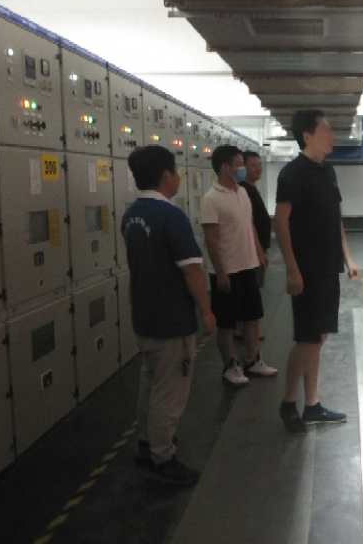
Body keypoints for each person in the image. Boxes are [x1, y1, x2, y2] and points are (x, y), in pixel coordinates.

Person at [122, 145, 216, 486]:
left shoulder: (131, 215)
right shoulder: (171, 216)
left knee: (150, 382)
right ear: (166, 176)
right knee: (170, 391)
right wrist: (206, 310)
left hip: (144, 315)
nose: (179, 178)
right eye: (176, 172)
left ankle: (146, 443)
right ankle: (163, 457)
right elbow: (192, 270)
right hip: (172, 320)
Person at [275, 110, 359, 432]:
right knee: (307, 339)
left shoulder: (328, 171)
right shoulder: (292, 174)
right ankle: (288, 402)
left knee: (317, 337)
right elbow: (281, 222)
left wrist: (348, 257)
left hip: (327, 268)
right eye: (326, 130)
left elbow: (335, 218)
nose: (331, 136)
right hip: (307, 269)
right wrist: (292, 269)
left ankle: (312, 404)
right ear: (307, 135)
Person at [201, 145, 277, 387]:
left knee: (253, 317)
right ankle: (230, 366)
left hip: (248, 265)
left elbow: (249, 224)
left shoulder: (242, 192)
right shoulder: (211, 199)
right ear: (225, 167)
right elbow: (211, 239)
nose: (242, 168)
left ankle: (252, 360)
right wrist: (220, 272)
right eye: (238, 163)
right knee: (226, 323)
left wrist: (258, 252)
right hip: (227, 270)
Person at [239, 150, 271, 287]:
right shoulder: (244, 190)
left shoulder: (251, 188)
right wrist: (259, 252)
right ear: (243, 168)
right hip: (252, 252)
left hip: (259, 249)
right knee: (253, 288)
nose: (258, 169)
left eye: (259, 165)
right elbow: (249, 223)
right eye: (253, 165)